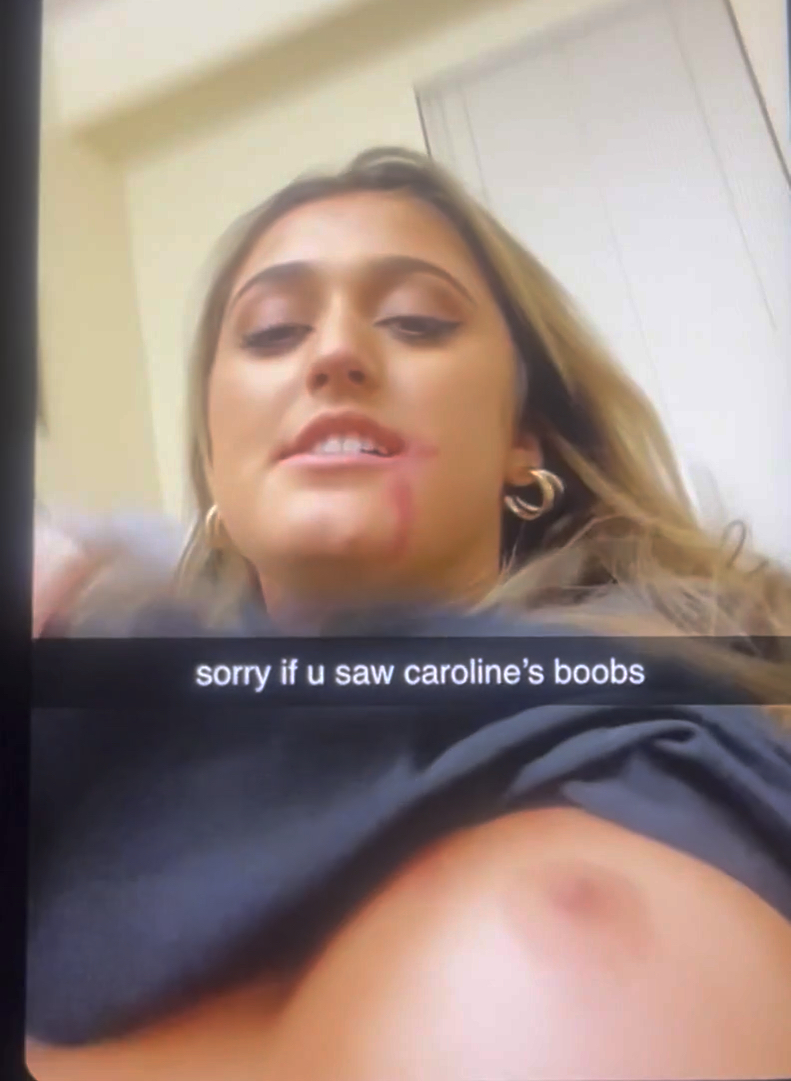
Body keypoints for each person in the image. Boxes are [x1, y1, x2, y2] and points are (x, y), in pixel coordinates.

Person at [27, 147, 791, 1080]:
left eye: (416, 321)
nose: (335, 353)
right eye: (272, 332)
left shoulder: (685, 707)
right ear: (216, 459)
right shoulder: (80, 727)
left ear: (522, 442)